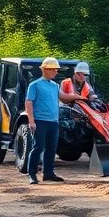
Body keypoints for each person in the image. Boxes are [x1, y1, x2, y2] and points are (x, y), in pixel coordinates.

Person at [24, 57, 87, 185]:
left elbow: (63, 97)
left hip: (53, 122)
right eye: (54, 69)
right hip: (40, 121)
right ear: (46, 69)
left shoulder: (54, 85)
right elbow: (28, 102)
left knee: (51, 148)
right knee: (38, 147)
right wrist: (31, 120)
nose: (56, 72)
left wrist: (76, 97)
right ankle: (32, 174)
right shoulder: (35, 85)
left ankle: (48, 173)